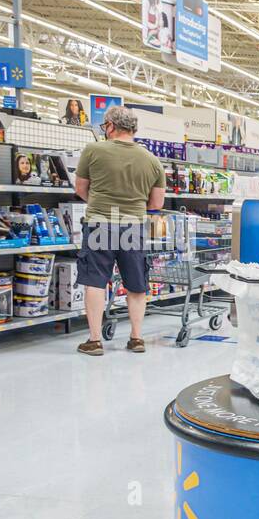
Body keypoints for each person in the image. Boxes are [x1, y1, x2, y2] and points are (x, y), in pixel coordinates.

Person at [73, 105, 165, 357]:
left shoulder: (93, 150)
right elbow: (157, 204)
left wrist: (102, 202)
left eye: (105, 126)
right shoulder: (151, 160)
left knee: (95, 280)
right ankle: (136, 338)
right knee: (136, 283)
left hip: (100, 222)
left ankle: (94, 340)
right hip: (132, 225)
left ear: (111, 126)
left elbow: (81, 188)